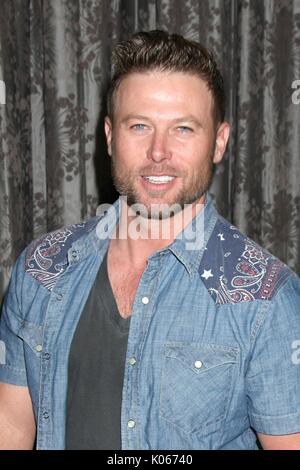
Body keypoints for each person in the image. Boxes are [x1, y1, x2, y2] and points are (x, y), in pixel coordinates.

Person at [0, 30, 300, 451]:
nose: (159, 152)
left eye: (183, 129)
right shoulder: (41, 269)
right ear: (109, 136)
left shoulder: (266, 299)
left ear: (219, 142)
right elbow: (11, 429)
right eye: (139, 126)